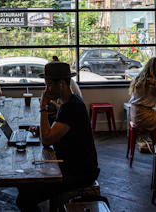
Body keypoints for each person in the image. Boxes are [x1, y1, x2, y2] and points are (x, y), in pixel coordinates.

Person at [16, 62, 100, 212]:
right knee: (23, 184)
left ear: (61, 84)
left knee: (24, 198)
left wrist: (42, 107)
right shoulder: (69, 103)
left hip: (78, 172)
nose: (46, 90)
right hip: (69, 165)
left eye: (48, 85)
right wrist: (43, 128)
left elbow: (47, 140)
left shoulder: (72, 107)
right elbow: (55, 132)